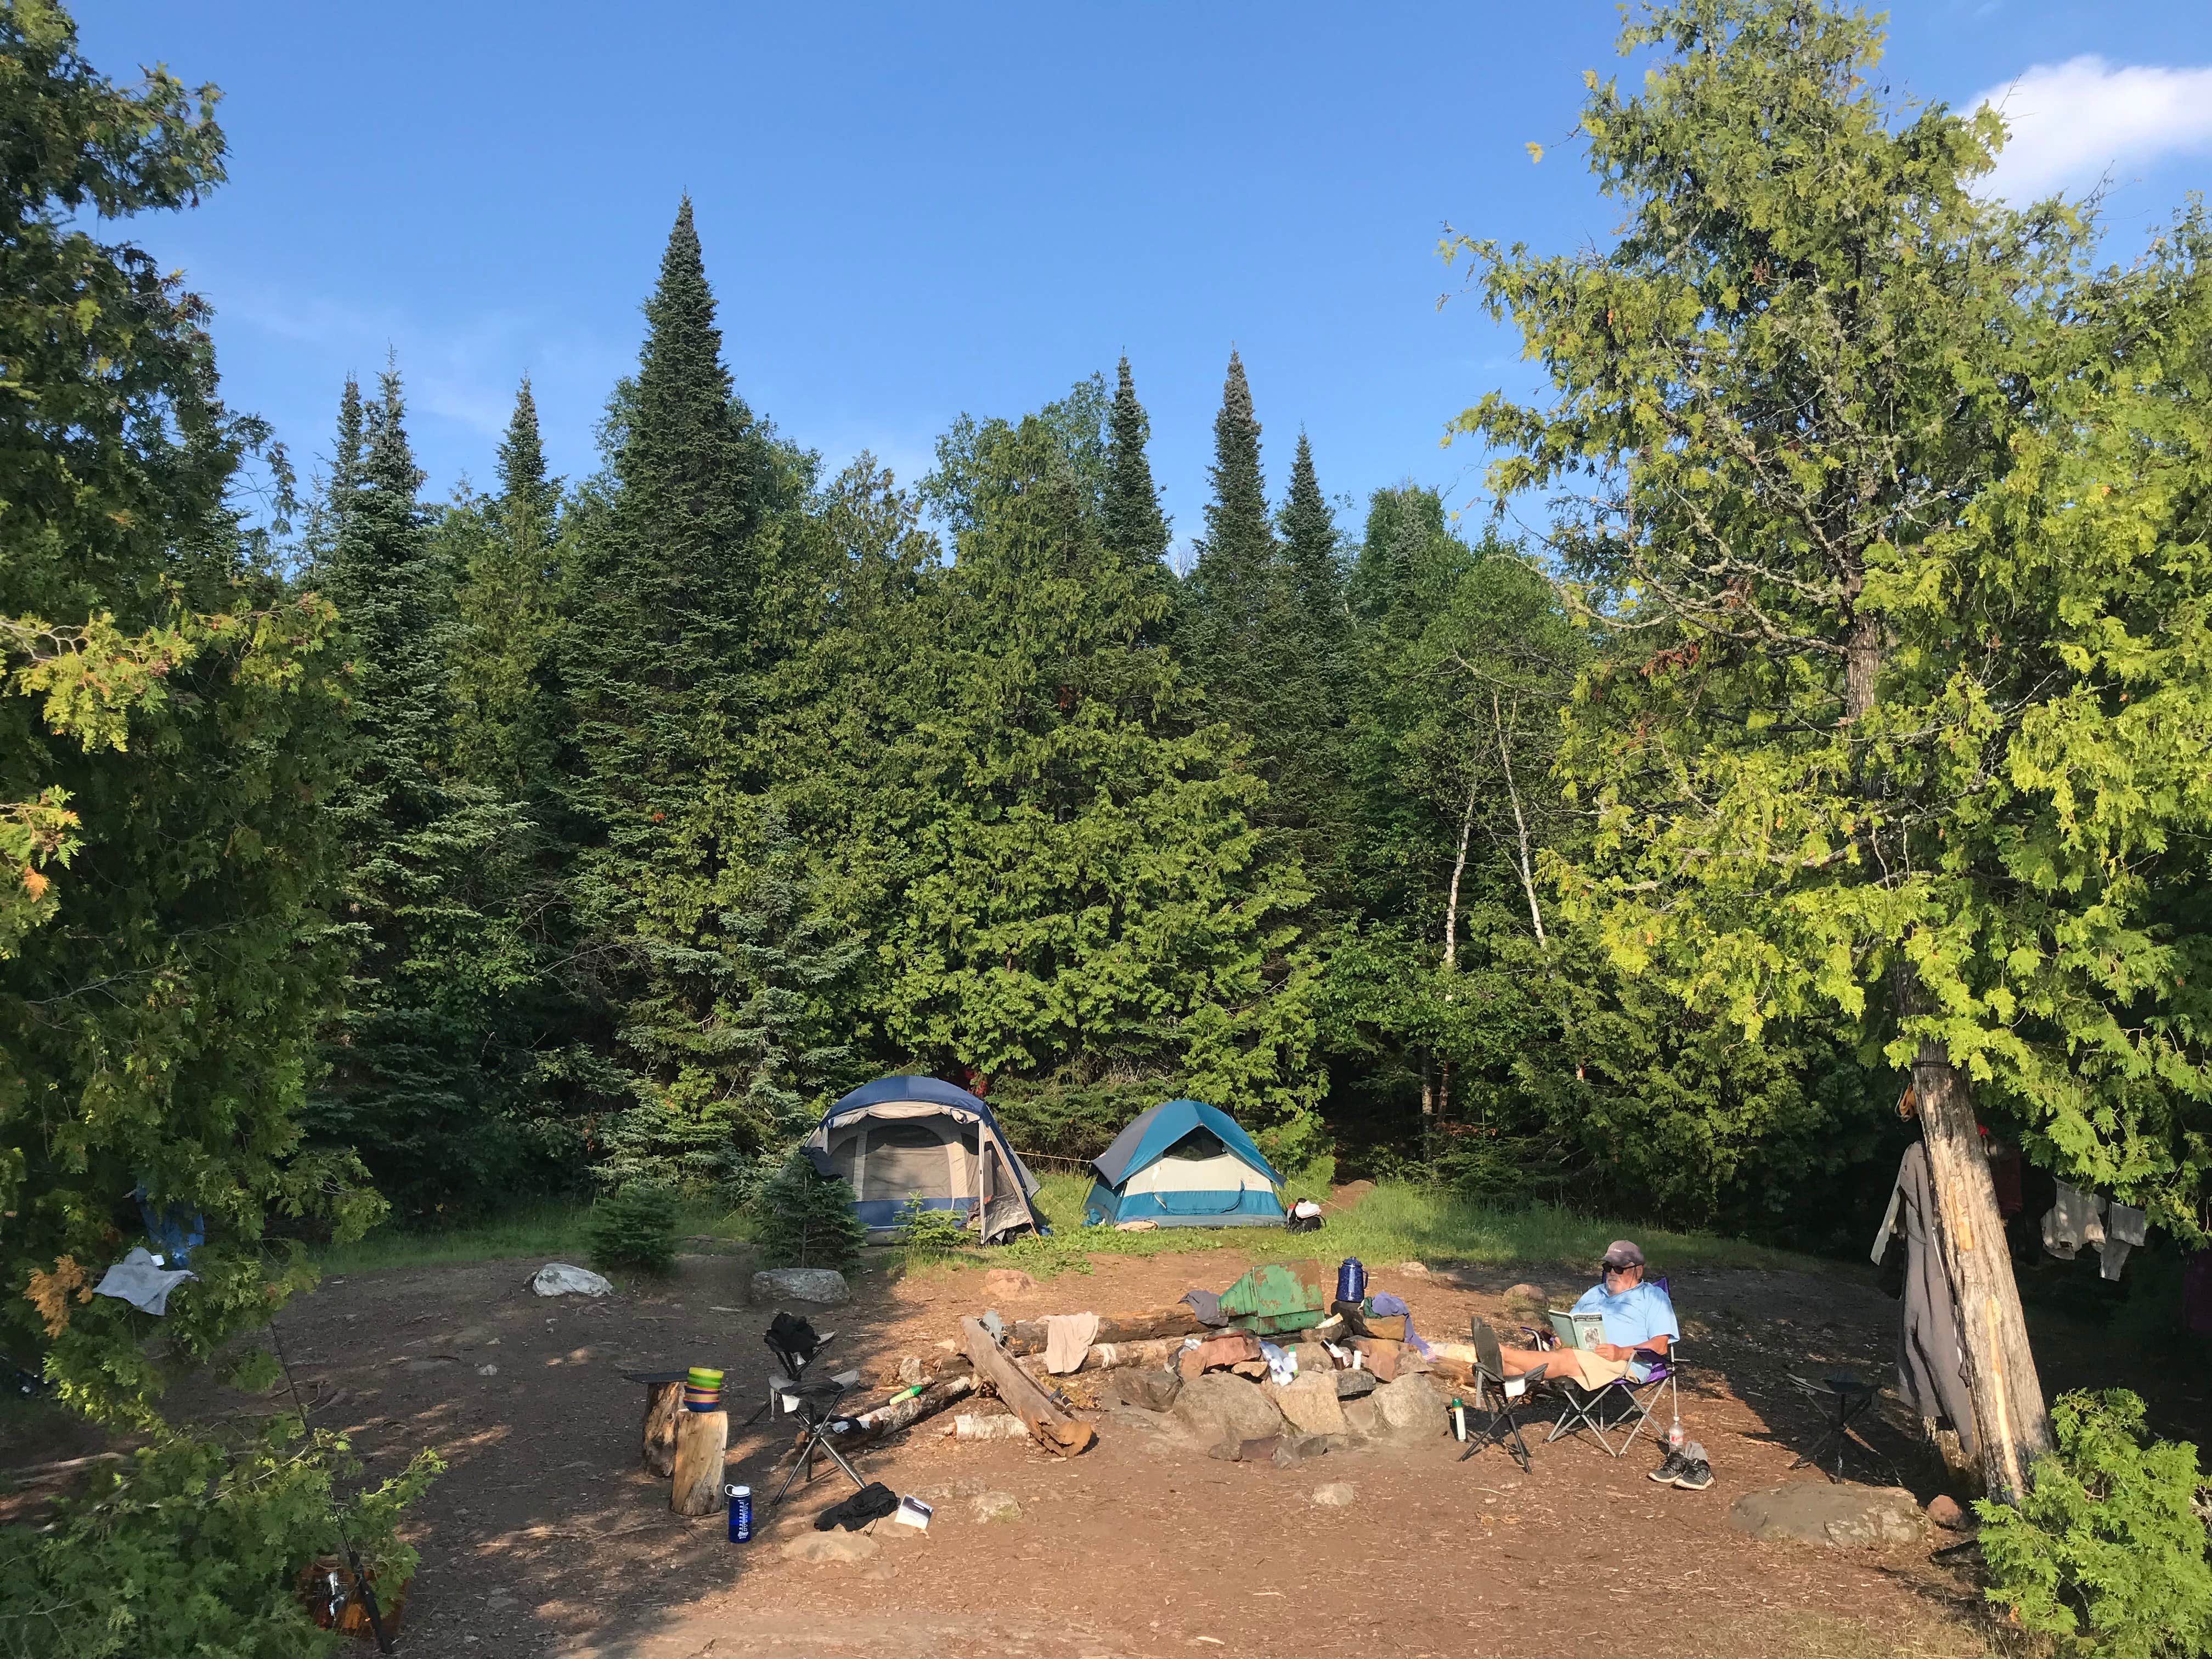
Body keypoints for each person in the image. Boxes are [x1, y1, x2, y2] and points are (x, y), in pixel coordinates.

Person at [1497, 1239, 1678, 1391]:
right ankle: (1490, 1368)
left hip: (1622, 1365)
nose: (1612, 1273)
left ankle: (1502, 1353)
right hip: (1579, 1355)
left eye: (1620, 1268)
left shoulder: (1653, 1296)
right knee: (1524, 1365)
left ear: (1638, 1270)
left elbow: (1660, 1346)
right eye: (1608, 1267)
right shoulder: (1596, 1292)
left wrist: (1621, 1352)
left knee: (1566, 1358)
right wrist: (1562, 1338)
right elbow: (1573, 1323)